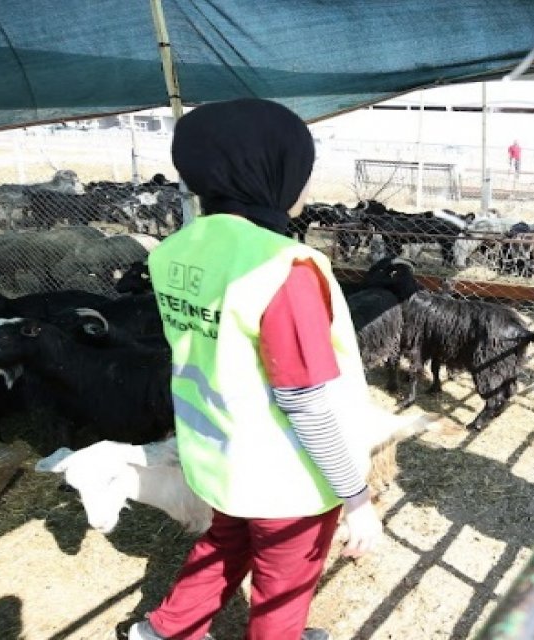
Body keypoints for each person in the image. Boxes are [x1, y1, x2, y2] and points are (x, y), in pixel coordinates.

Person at [129, 99, 382, 640]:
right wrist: (357, 497)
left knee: (224, 544)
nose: (306, 188)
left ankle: (163, 632)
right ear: (268, 172)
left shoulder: (173, 251)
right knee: (284, 585)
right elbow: (305, 399)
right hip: (287, 474)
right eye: (302, 172)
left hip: (219, 454)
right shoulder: (281, 268)